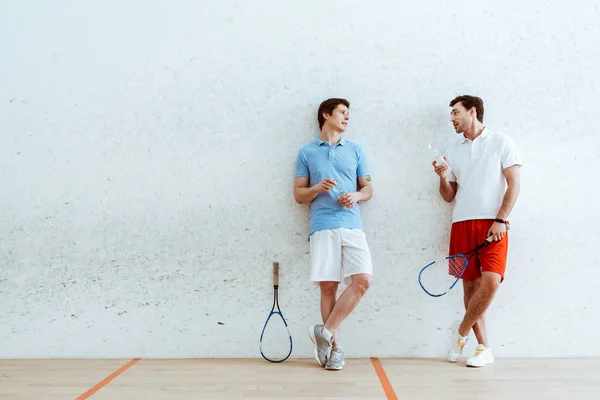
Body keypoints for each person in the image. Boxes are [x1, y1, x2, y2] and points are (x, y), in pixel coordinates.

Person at [433, 95, 522, 367]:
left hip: (493, 224)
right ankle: (484, 348)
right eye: (451, 115)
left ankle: (460, 333)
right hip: (462, 223)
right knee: (470, 289)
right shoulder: (454, 149)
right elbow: (449, 196)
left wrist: (501, 219)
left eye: (456, 113)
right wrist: (441, 176)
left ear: (473, 112)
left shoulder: (501, 142)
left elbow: (514, 185)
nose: (452, 119)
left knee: (491, 281)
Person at [293, 98, 374, 371]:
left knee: (362, 281)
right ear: (326, 115)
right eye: (342, 113)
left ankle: (324, 332)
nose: (347, 118)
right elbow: (298, 195)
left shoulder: (356, 150)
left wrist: (356, 195)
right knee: (329, 288)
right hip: (322, 225)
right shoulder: (306, 153)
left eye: (348, 113)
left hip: (352, 225)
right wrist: (317, 188)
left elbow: (369, 189)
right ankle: (335, 349)